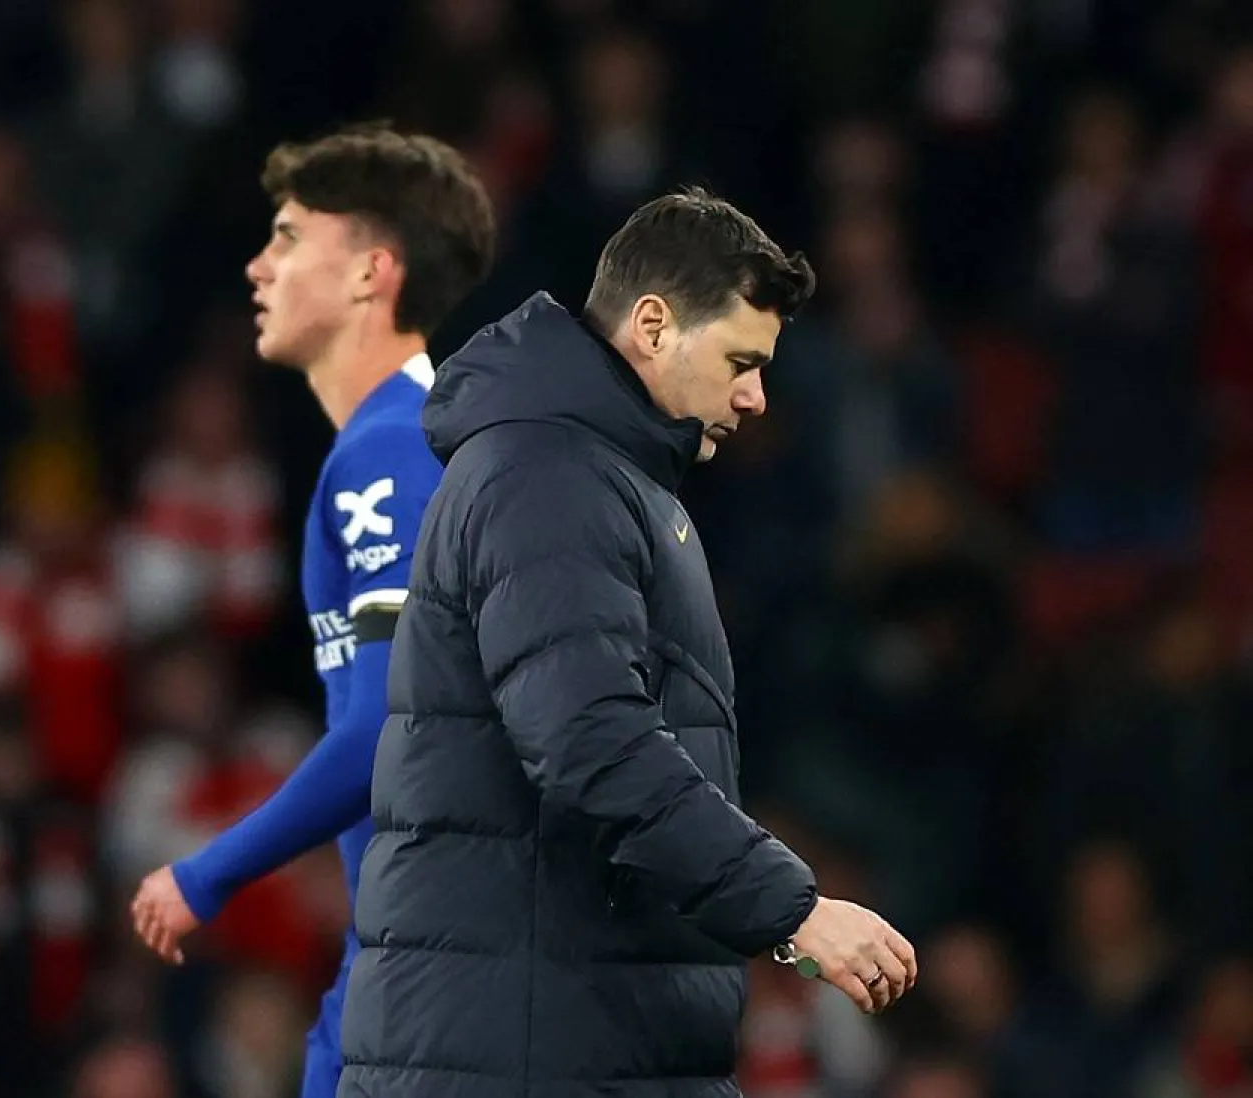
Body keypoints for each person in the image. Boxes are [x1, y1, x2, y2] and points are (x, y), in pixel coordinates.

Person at [340, 186, 918, 1098]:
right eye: (739, 358)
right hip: (525, 1055)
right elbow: (588, 739)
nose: (756, 395)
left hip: (567, 1036)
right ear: (652, 324)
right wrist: (790, 910)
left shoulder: (597, 476)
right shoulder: (549, 475)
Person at [128, 125, 496, 1098]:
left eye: (289, 238)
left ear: (374, 274)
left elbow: (386, 727)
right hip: (407, 949)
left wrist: (207, 873)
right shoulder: (406, 442)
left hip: (432, 965)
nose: (259, 265)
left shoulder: (390, 455)